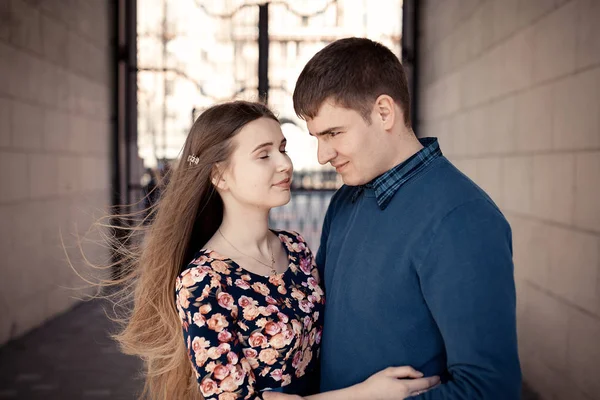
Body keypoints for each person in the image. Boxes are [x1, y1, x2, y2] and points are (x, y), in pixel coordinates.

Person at [106, 100, 439, 400]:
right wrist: (368, 394)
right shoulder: (202, 281)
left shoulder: (295, 248)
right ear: (219, 175)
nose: (284, 164)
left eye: (283, 149)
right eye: (264, 155)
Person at [266, 38, 521, 399]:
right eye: (317, 137)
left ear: (384, 112)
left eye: (334, 133)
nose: (323, 155)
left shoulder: (463, 219)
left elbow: (490, 390)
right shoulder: (346, 199)